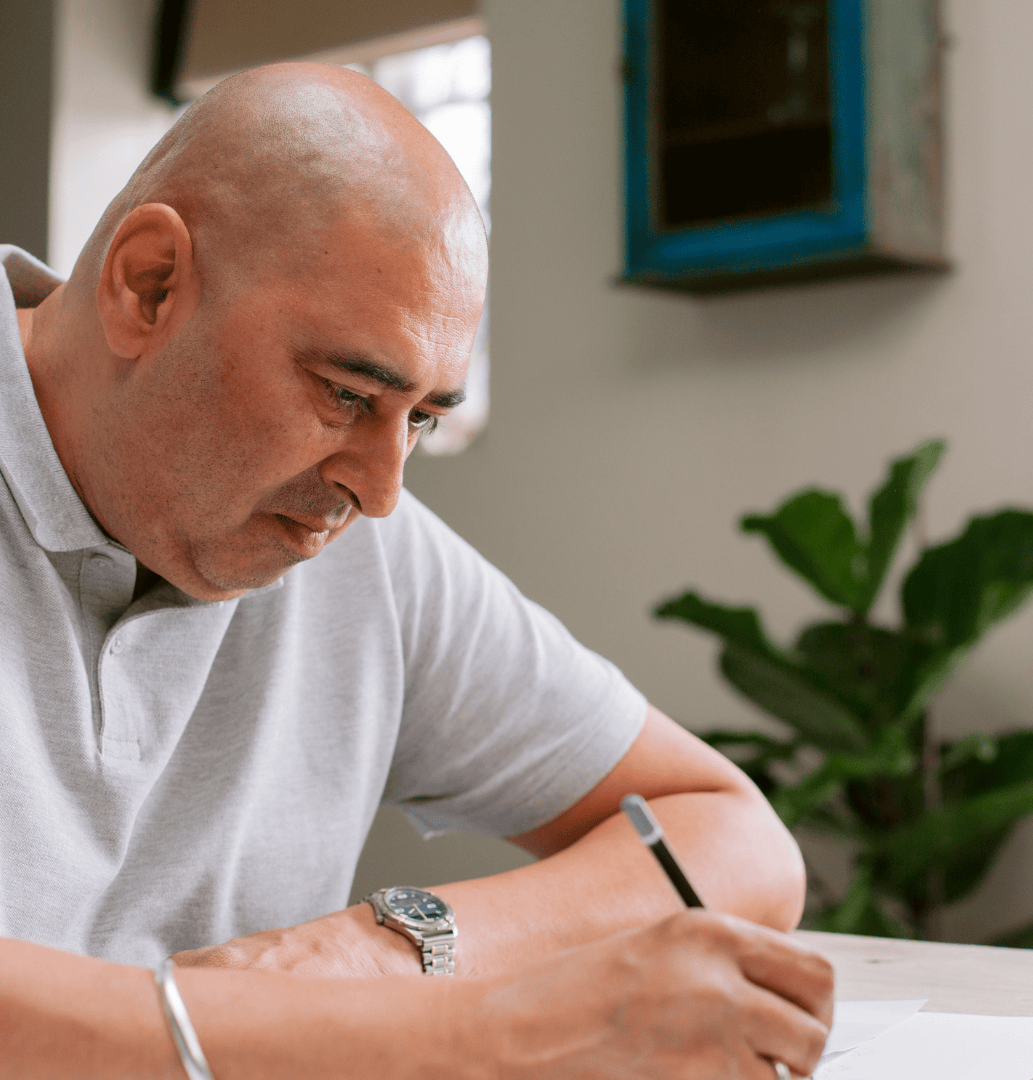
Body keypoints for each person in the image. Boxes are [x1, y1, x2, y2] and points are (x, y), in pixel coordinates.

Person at [0, 62, 833, 1077]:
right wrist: (487, 1034)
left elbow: (733, 839)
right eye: (349, 393)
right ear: (150, 285)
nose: (382, 491)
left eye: (424, 420)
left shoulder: (363, 556)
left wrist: (391, 951)